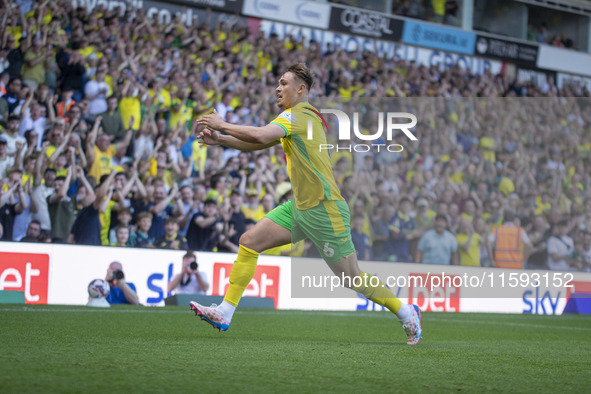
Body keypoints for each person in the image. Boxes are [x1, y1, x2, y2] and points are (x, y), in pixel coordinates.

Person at [191, 64, 421, 344]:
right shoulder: (296, 118)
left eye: (284, 83)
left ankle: (407, 312)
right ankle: (225, 311)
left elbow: (261, 136)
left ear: (300, 89)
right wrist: (222, 140)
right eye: (278, 82)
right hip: (299, 208)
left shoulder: (299, 115)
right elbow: (262, 143)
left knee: (352, 278)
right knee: (249, 241)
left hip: (326, 210)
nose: (278, 87)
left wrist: (222, 124)